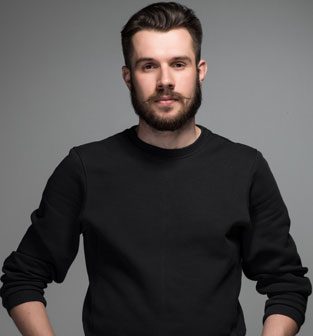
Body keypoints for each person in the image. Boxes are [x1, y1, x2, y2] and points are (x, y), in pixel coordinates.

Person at [0, 2, 311, 335]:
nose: (165, 81)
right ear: (128, 77)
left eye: (178, 64)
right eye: (148, 66)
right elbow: (23, 278)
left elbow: (286, 283)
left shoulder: (246, 168)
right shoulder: (85, 169)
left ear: (200, 70)